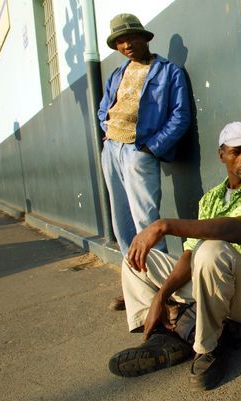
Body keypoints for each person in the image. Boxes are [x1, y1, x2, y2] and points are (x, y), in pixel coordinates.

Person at [108, 122, 241, 391]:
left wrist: (165, 225)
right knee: (135, 260)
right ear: (221, 154)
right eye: (237, 152)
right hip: (209, 283)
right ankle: (164, 333)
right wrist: (161, 296)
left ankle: (206, 348)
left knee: (213, 248)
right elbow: (188, 255)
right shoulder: (211, 198)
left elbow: (238, 228)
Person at [98, 14, 191, 310]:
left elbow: (181, 116)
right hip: (111, 150)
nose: (126, 44)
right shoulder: (117, 74)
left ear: (144, 37)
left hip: (139, 151)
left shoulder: (168, 72)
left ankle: (165, 291)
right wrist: (107, 131)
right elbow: (104, 109)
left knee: (147, 222)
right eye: (120, 41)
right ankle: (137, 289)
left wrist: (150, 149)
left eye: (131, 37)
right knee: (122, 222)